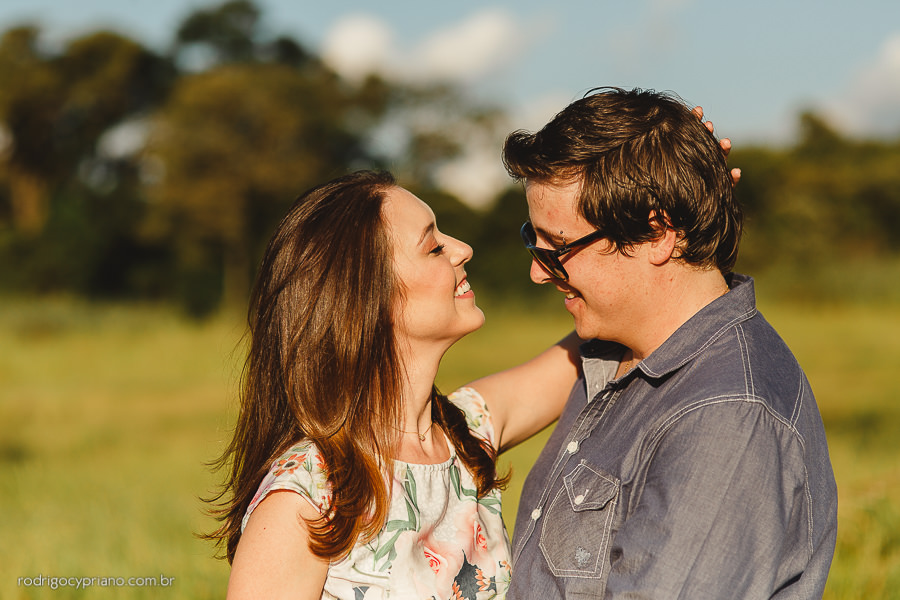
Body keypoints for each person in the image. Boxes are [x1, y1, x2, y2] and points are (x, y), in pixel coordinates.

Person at [500, 87, 838, 599]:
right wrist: (681, 173)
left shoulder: (726, 418)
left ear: (657, 233)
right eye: (535, 239)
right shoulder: (617, 350)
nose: (537, 272)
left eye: (558, 247)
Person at [206, 170, 581, 599]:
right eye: (435, 247)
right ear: (369, 298)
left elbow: (594, 343)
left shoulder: (467, 434)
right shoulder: (304, 497)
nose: (463, 249)